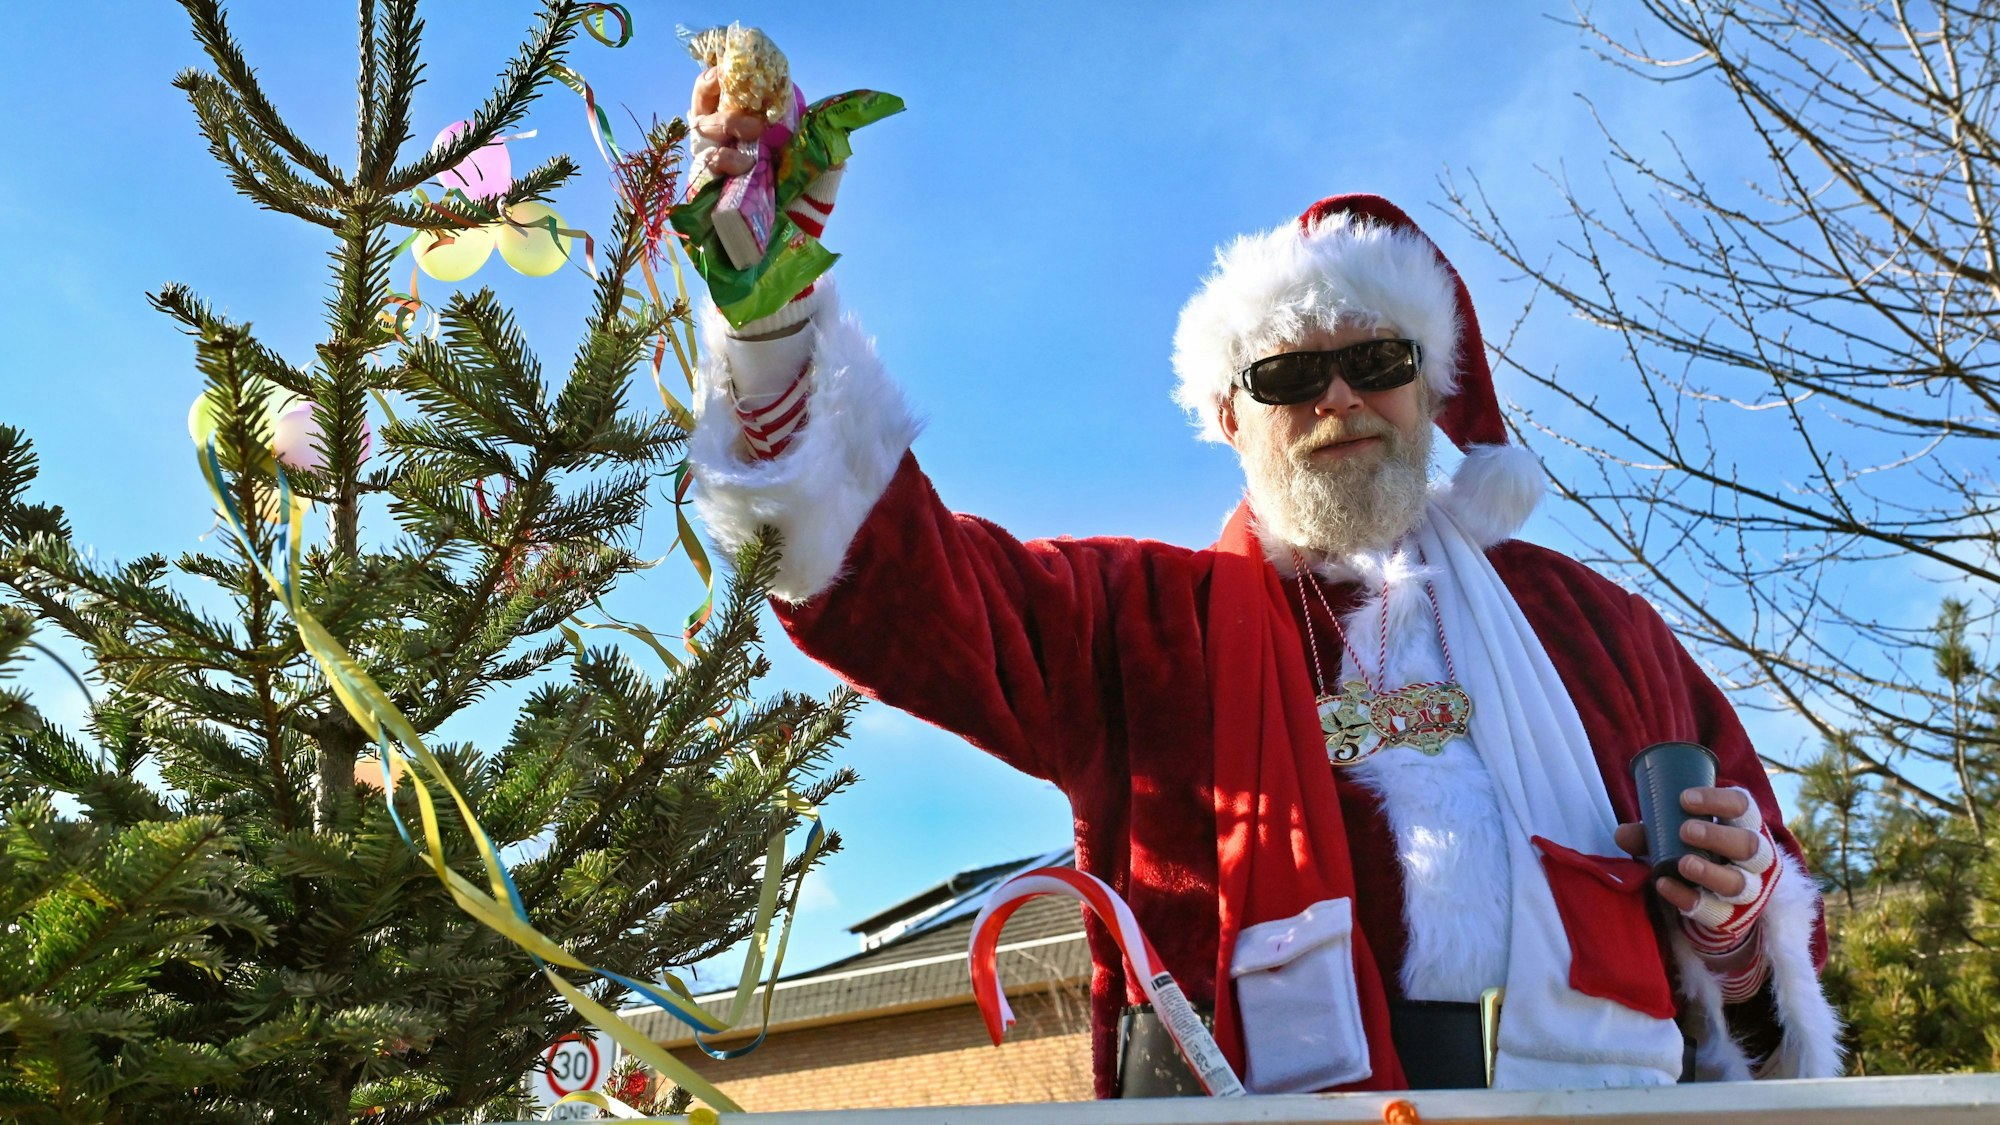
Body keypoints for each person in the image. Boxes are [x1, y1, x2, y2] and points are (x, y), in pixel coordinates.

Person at [682, 74, 1842, 1095]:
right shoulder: (1141, 627)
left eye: (1375, 362)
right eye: (1289, 371)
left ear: (1429, 394)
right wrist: (779, 334)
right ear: (1230, 417)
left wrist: (1738, 929)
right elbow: (908, 597)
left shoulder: (1594, 629)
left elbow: (1765, 935)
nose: (1336, 399)